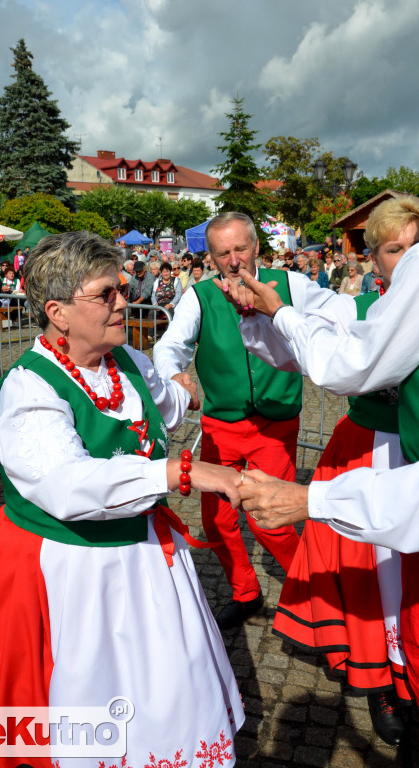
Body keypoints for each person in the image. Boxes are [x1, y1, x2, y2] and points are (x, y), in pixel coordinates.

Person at [216, 112, 419, 768]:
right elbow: (339, 330)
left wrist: (280, 315)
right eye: (391, 249)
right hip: (406, 468)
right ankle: (389, 685)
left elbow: (355, 363)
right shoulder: (374, 294)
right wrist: (275, 316)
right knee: (394, 601)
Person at [0, 231, 245, 768]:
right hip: (71, 572)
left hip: (144, 557)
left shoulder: (129, 362)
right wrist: (179, 470)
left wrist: (189, 386)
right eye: (106, 294)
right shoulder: (30, 388)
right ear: (58, 312)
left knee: (166, 680)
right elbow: (68, 484)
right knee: (88, 691)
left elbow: (164, 404)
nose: (124, 301)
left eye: (121, 288)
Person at [273, 196, 419, 747]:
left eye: (416, 245)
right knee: (379, 573)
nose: (407, 257)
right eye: (394, 249)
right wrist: (265, 304)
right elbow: (293, 344)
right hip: (367, 448)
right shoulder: (358, 309)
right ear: (374, 260)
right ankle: (384, 677)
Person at [154, 212, 345, 630]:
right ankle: (246, 592)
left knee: (271, 522)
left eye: (241, 248)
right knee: (217, 521)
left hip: (275, 425)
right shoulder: (200, 295)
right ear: (211, 256)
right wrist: (173, 374)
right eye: (223, 253)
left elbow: (343, 317)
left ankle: (323, 599)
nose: (234, 260)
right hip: (221, 426)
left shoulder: (291, 284)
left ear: (256, 247)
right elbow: (171, 343)